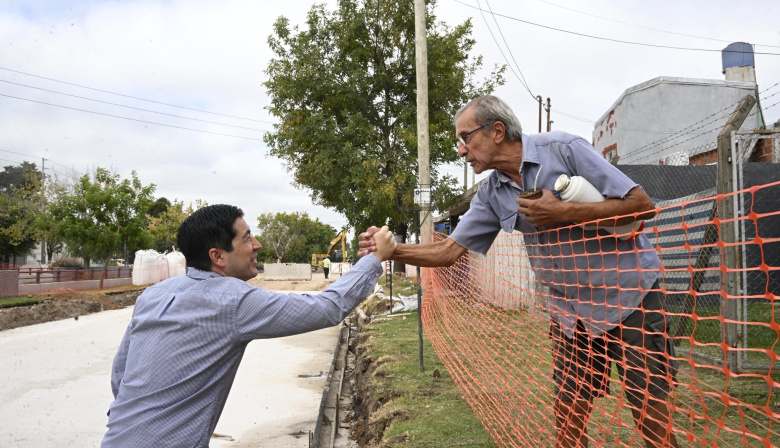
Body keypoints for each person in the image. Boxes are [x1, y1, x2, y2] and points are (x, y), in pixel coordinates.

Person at [359, 95, 678, 448]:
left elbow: (642, 205)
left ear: (497, 130)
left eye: (465, 138)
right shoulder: (492, 192)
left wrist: (562, 213)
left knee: (649, 413)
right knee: (568, 413)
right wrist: (390, 250)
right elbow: (449, 251)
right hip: (571, 316)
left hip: (629, 298)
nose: (461, 151)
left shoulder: (564, 149)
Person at [102, 204, 396, 447]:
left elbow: (120, 376)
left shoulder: (155, 293)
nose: (257, 245)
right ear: (217, 256)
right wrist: (375, 259)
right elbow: (327, 307)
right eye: (246, 238)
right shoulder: (234, 301)